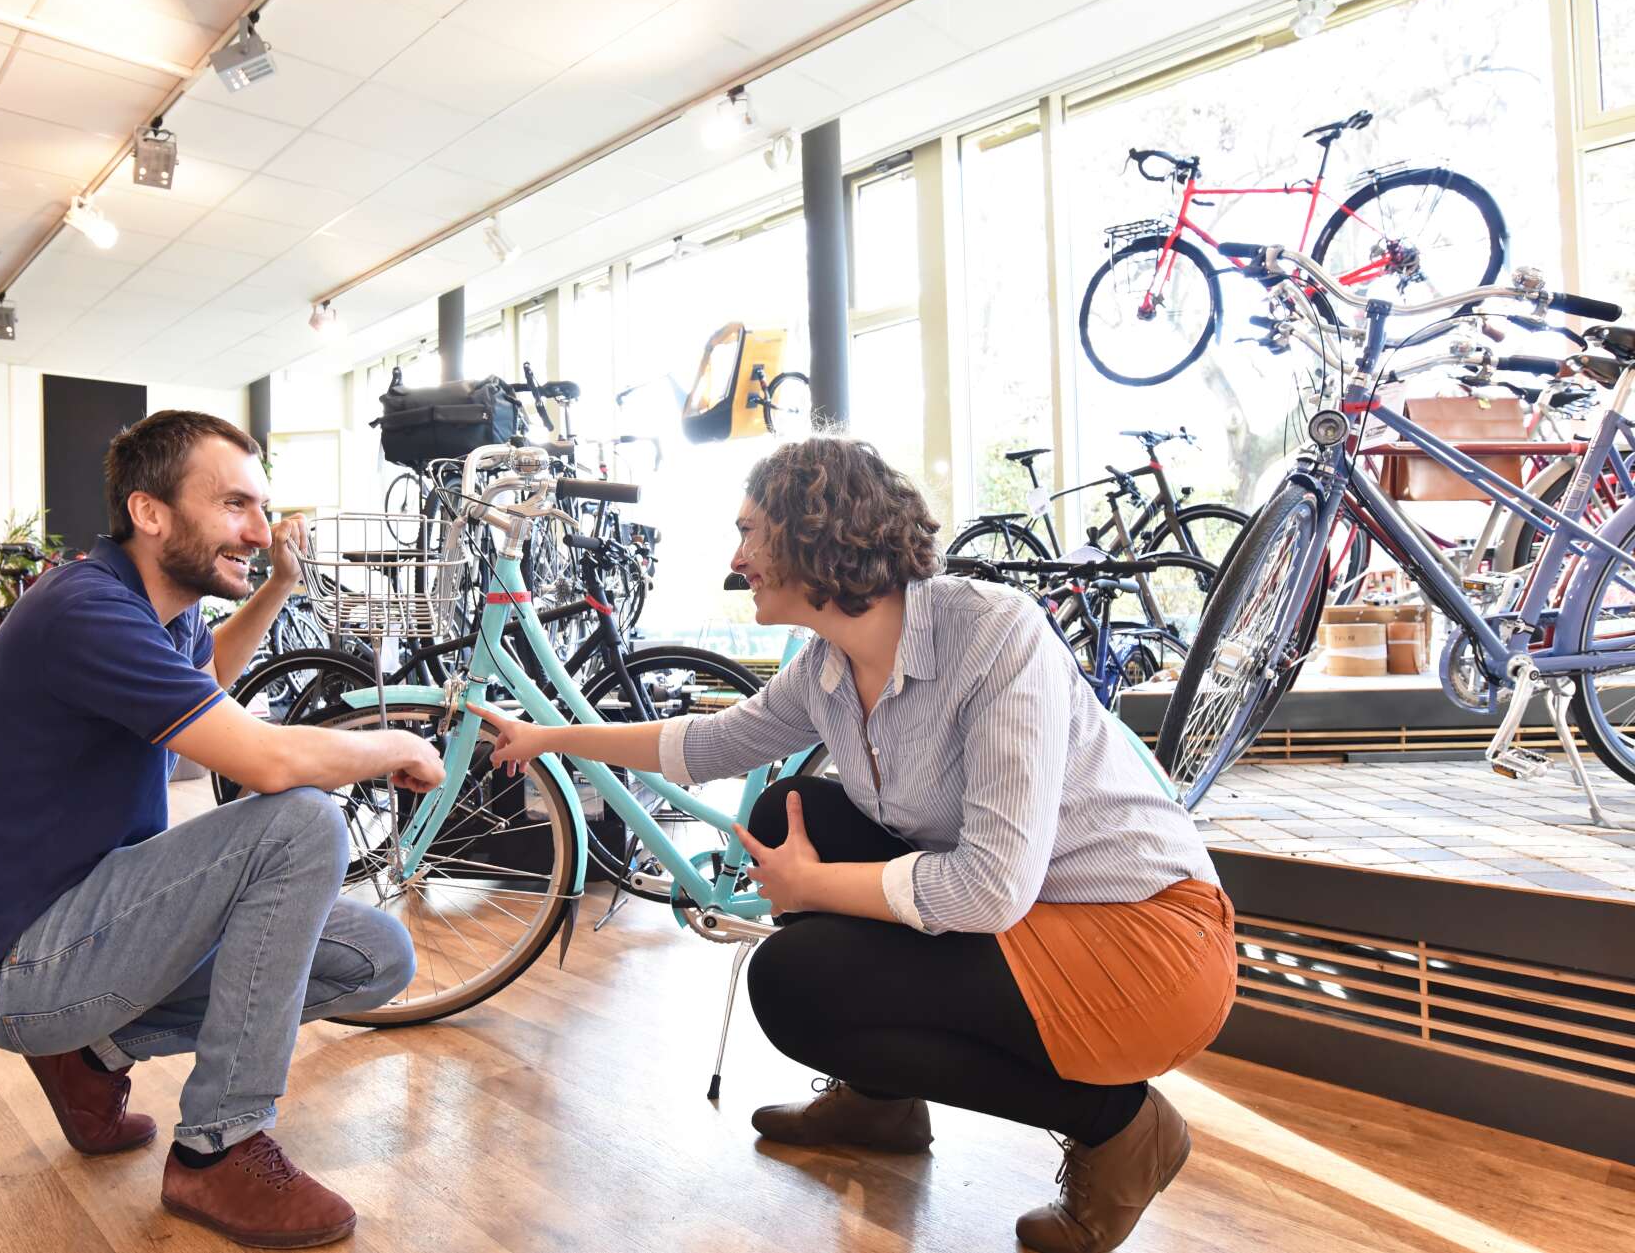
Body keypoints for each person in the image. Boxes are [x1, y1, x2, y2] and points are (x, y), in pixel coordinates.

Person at [470, 436, 1235, 1253]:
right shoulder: (828, 667)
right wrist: (549, 737)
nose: (736, 558)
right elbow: (708, 742)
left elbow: (990, 888)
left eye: (749, 532)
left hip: (1147, 939)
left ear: (813, 530)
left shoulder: (993, 636)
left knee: (791, 984)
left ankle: (1121, 1123)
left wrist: (810, 887)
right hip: (1030, 912)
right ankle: (882, 1103)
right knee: (788, 810)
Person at [0, 410, 444, 1249]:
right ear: (150, 511)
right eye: (235, 504)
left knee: (377, 956)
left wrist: (276, 585)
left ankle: (90, 1055)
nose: (259, 530)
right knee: (300, 821)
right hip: (19, 967)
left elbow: (205, 675)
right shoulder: (85, 609)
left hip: (90, 924)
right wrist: (397, 743)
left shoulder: (161, 609)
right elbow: (269, 761)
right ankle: (218, 1148)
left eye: (262, 507)